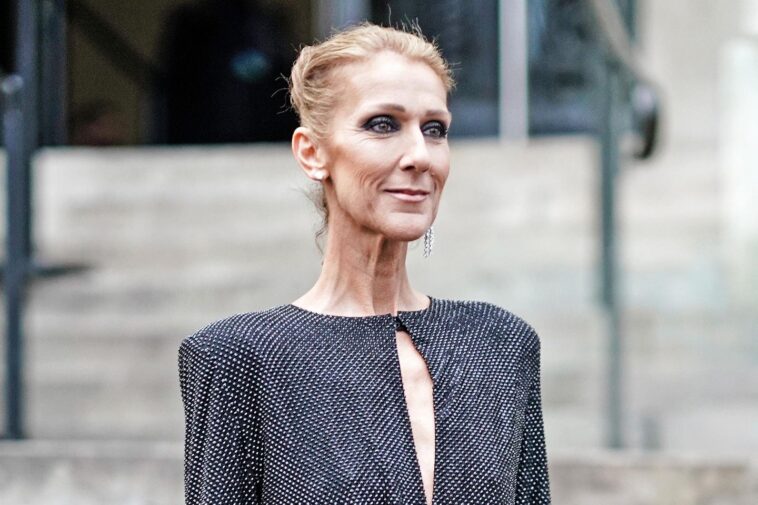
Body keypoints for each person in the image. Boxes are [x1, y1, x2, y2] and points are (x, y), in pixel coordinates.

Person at [178, 22, 551, 504]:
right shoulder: (240, 357)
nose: (420, 155)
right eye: (383, 124)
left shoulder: (501, 344)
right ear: (312, 153)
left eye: (434, 129)